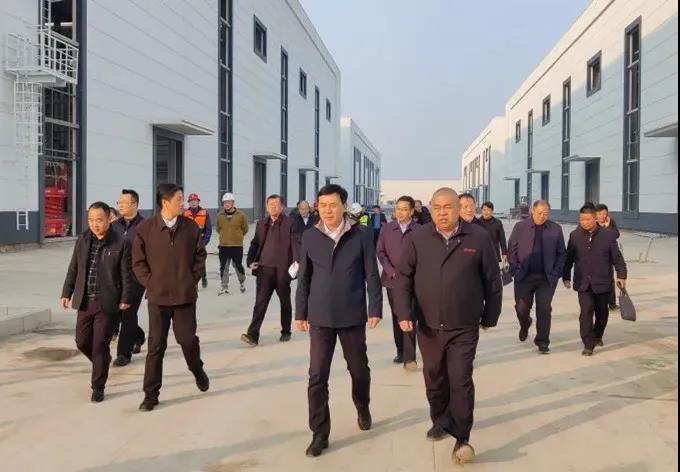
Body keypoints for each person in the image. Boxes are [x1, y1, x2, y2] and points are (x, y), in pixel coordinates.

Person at [392, 187, 502, 465]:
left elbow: (492, 280)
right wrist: (403, 312)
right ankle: (440, 420)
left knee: (460, 379)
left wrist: (490, 316)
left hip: (464, 325)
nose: (442, 213)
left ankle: (462, 437)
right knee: (434, 378)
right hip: (428, 326)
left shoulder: (478, 237)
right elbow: (403, 277)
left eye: (448, 207)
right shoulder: (418, 238)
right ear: (431, 209)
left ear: (459, 208)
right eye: (437, 207)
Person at [295, 184, 382, 457]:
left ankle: (363, 406)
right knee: (317, 376)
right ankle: (319, 434)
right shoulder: (310, 236)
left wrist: (375, 308)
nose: (327, 210)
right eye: (322, 205)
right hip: (320, 316)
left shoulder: (361, 234)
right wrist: (300, 312)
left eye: (333, 205)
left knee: (359, 371)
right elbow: (304, 277)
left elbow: (371, 273)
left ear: (344, 206)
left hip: (351, 314)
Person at [133, 183, 209, 411]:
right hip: (158, 298)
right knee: (156, 346)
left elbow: (200, 256)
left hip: (185, 296)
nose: (182, 203)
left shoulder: (190, 227)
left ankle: (197, 369)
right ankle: (150, 394)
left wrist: (191, 279)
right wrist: (151, 283)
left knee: (187, 340)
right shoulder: (146, 229)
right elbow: (138, 262)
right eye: (179, 199)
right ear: (165, 202)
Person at [60, 201, 132, 403]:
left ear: (109, 218)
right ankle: (103, 362)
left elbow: (126, 274)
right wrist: (66, 292)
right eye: (91, 220)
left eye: (99, 220)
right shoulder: (83, 239)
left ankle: (98, 387)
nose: (94, 224)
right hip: (84, 300)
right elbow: (73, 268)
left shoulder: (121, 242)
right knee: (82, 341)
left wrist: (126, 298)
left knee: (100, 344)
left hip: (106, 302)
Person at [563, 204, 627, 356]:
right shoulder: (575, 236)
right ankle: (588, 343)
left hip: (603, 282)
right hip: (583, 283)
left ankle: (597, 335)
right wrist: (566, 276)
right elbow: (568, 258)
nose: (584, 222)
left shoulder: (608, 236)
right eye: (581, 219)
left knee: (602, 313)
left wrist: (621, 275)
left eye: (588, 219)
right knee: (586, 311)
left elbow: (617, 258)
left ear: (595, 218)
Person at [507, 200, 566, 354]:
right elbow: (511, 249)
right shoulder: (520, 227)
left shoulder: (555, 229)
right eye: (539, 213)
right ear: (532, 211)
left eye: (545, 214)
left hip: (546, 278)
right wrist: (515, 268)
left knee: (544, 309)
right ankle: (525, 324)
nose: (542, 216)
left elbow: (561, 253)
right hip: (523, 276)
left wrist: (556, 272)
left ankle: (542, 341)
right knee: (521, 309)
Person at [241, 195, 298, 346]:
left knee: (285, 302)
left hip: (282, 271)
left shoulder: (290, 224)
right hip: (264, 270)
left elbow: (296, 245)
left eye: (276, 204)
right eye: (270, 204)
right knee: (260, 303)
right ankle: (253, 335)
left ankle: (286, 331)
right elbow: (255, 243)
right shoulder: (261, 224)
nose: (273, 207)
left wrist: (296, 266)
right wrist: (250, 261)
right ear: (267, 207)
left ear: (282, 207)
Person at [376, 195, 420, 370]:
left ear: (411, 211)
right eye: (398, 209)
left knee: (410, 316)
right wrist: (391, 271)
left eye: (404, 209)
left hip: (412, 281)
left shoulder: (419, 230)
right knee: (397, 316)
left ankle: (410, 358)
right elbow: (380, 252)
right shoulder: (387, 228)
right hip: (392, 280)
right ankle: (400, 351)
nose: (400, 212)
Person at [111, 189, 146, 367]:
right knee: (116, 312)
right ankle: (138, 336)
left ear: (135, 205)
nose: (120, 206)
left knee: (128, 312)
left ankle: (124, 353)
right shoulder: (114, 226)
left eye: (124, 203)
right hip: (117, 277)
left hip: (136, 278)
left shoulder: (145, 226)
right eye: (119, 203)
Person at [215, 192, 249, 295]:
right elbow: (218, 229)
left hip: (236, 246)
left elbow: (245, 229)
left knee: (238, 266)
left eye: (229, 202)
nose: (226, 204)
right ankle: (224, 286)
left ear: (233, 203)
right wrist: (225, 236)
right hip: (224, 246)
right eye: (225, 202)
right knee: (223, 267)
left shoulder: (241, 215)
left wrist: (237, 236)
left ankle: (242, 281)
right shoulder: (220, 215)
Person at [184, 193, 213, 288]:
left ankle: (204, 277)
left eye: (195, 201)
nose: (193, 203)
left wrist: (204, 242)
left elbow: (208, 229)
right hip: (189, 243)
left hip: (201, 242)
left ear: (198, 202)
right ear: (189, 203)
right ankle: (194, 283)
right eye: (191, 201)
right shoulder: (184, 214)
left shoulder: (204, 213)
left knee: (201, 262)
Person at [595, 203, 621, 310]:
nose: (602, 216)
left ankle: (612, 303)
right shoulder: (593, 224)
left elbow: (616, 234)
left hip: (609, 255)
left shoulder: (611, 222)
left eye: (605, 214)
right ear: (596, 214)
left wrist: (608, 226)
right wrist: (606, 229)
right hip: (596, 255)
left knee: (610, 279)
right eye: (600, 214)